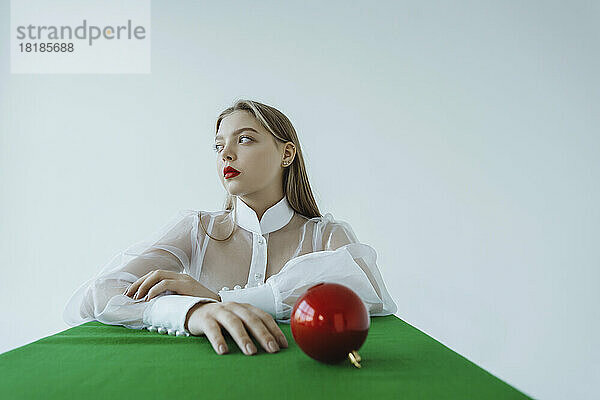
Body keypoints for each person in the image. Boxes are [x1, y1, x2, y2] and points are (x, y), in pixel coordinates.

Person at [63, 99, 397, 357]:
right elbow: (98, 293)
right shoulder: (194, 229)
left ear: (287, 153)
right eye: (219, 145)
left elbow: (372, 297)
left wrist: (220, 298)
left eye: (246, 139)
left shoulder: (327, 236)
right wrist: (189, 312)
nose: (228, 154)